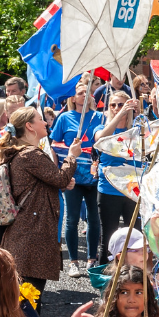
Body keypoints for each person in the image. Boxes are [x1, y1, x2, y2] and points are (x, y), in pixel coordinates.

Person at [0, 106, 82, 302]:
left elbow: (50, 181)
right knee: (28, 299)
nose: (45, 122)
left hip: (26, 232)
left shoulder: (24, 152)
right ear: (29, 126)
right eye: (40, 119)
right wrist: (72, 156)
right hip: (31, 235)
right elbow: (59, 179)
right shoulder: (31, 154)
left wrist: (59, 183)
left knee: (26, 297)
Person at [52, 83, 103, 276]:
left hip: (94, 176)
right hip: (72, 177)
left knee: (94, 219)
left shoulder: (100, 117)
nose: (84, 95)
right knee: (72, 220)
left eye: (87, 93)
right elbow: (54, 144)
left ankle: (92, 259)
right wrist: (59, 171)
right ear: (72, 98)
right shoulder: (64, 118)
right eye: (80, 93)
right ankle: (74, 262)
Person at [95, 91, 144, 264]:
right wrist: (119, 116)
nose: (117, 108)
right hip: (109, 190)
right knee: (108, 236)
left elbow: (152, 140)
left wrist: (141, 112)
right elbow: (101, 140)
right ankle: (105, 282)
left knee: (137, 236)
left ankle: (133, 277)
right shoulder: (101, 127)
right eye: (113, 105)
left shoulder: (138, 129)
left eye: (121, 104)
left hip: (133, 191)